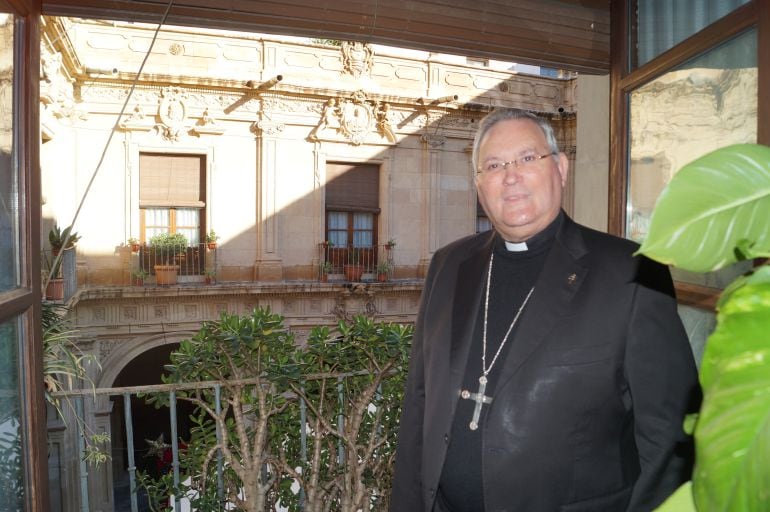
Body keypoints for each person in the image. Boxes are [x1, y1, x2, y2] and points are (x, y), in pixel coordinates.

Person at [390, 108, 701, 512]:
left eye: (526, 158)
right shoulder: (449, 264)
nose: (511, 175)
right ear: (480, 186)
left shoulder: (631, 272)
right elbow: (420, 403)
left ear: (561, 168)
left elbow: (670, 440)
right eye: (494, 165)